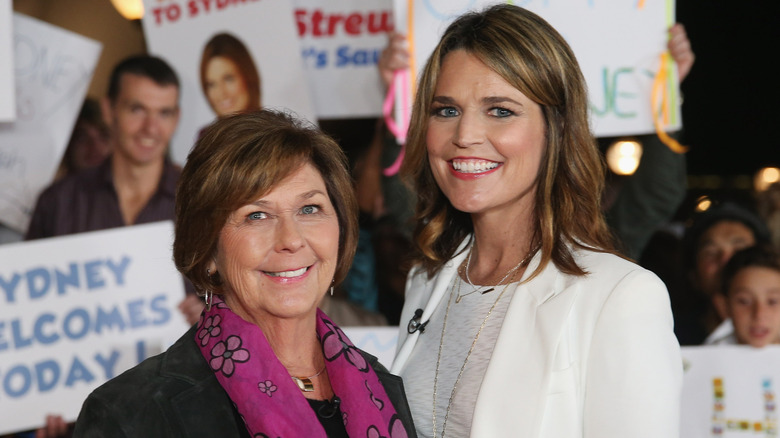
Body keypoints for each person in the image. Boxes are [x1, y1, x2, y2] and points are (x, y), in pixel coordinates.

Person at [389, 5, 681, 437]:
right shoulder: (426, 281)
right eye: (446, 110)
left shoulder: (621, 297)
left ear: (556, 129)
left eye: (500, 110)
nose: (465, 134)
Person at [72, 110, 416, 438]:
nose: (291, 240)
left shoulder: (384, 388)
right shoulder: (131, 414)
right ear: (208, 250)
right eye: (257, 215)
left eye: (310, 208)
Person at [676, 201, 772, 344]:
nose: (726, 261)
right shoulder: (670, 337)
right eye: (711, 253)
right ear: (693, 276)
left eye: (740, 251)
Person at [706, 245, 780, 347]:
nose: (759, 314)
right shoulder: (705, 358)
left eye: (773, 301)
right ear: (723, 306)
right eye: (744, 301)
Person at [199, 32, 261, 118]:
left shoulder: (277, 129)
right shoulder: (206, 132)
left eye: (228, 79)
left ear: (248, 76)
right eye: (211, 84)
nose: (221, 93)